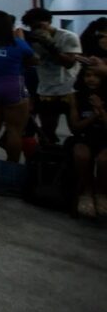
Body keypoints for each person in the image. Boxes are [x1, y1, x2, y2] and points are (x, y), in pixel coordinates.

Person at [0, 11, 38, 162]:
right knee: (14, 131)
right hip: (12, 85)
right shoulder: (16, 42)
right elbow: (34, 59)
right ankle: (12, 167)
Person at [22, 7, 81, 144]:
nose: (37, 30)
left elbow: (69, 63)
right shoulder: (33, 39)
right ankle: (50, 159)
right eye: (33, 27)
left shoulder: (68, 36)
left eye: (39, 26)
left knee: (76, 129)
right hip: (46, 89)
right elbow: (30, 62)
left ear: (48, 22)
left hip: (69, 88)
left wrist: (50, 45)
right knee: (48, 131)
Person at [70, 67, 107, 218]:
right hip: (85, 136)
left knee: (104, 160)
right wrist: (93, 116)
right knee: (81, 154)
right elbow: (75, 127)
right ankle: (86, 190)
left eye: (96, 76)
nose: (91, 79)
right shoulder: (76, 97)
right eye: (87, 75)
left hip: (104, 138)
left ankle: (101, 192)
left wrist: (101, 110)